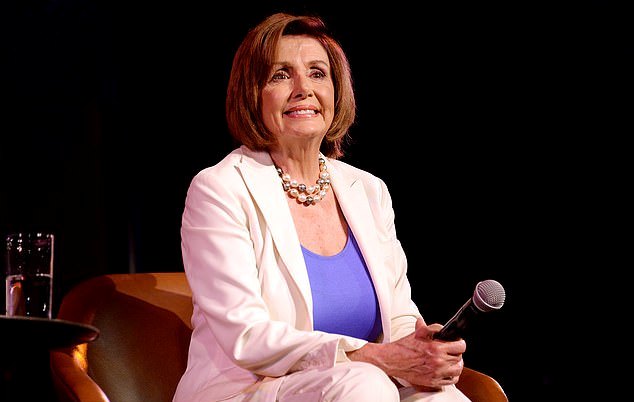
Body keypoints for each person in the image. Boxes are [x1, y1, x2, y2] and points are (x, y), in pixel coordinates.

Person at [173, 12, 471, 402]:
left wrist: (421, 353)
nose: (303, 89)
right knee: (365, 384)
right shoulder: (219, 190)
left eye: (317, 73)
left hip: (361, 384)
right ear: (251, 94)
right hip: (248, 389)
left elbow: (398, 314)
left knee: (441, 396)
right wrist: (372, 358)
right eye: (280, 75)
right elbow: (247, 334)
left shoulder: (368, 190)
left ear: (336, 91)